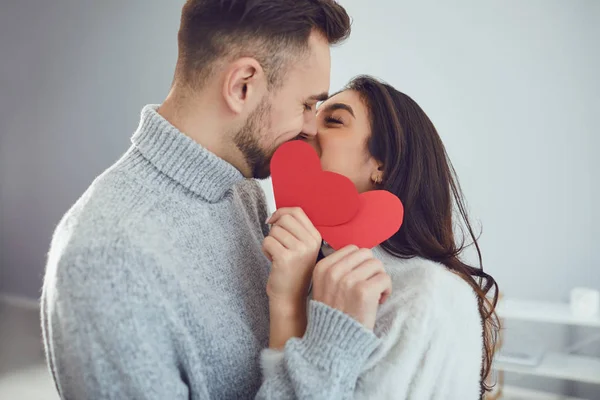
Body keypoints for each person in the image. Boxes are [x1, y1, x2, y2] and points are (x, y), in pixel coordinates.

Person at [41, 2, 392, 399]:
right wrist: (332, 347)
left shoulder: (241, 192)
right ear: (243, 84)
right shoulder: (107, 264)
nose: (311, 128)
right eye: (307, 105)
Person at [261, 76, 500, 399]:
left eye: (333, 120)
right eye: (310, 111)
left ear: (383, 164)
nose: (307, 128)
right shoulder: (292, 261)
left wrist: (294, 308)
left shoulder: (429, 295)